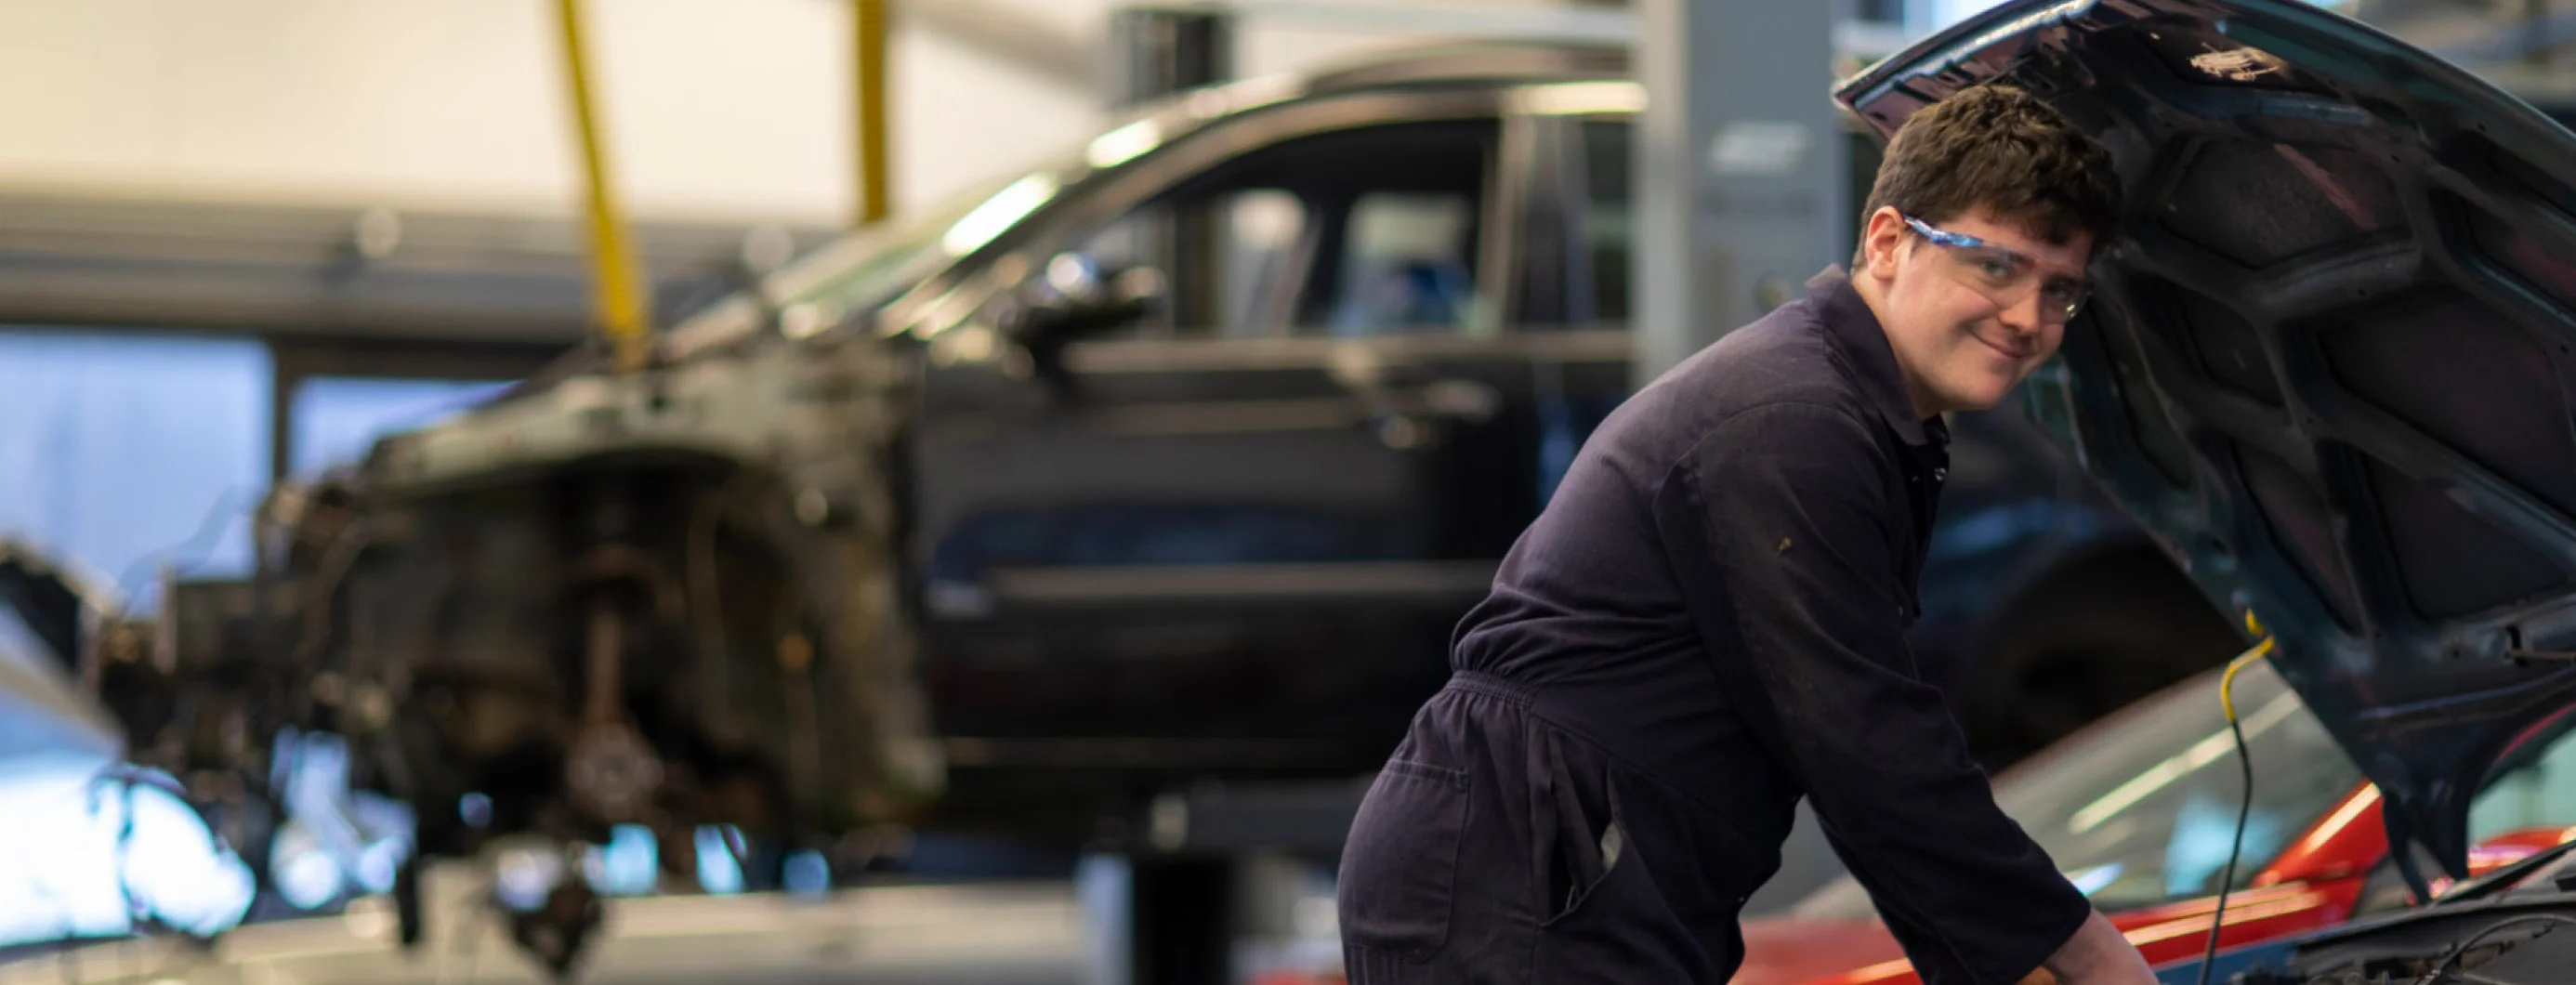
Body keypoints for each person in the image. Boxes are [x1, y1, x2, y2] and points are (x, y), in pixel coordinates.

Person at [1334, 84, 2159, 985]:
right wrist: (2086, 954)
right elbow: (1863, 739)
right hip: (1521, 875)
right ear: (1887, 240)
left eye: (2059, 290)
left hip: (1566, 873)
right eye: (1995, 266)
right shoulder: (1795, 417)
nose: (2028, 317)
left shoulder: (1862, 415)